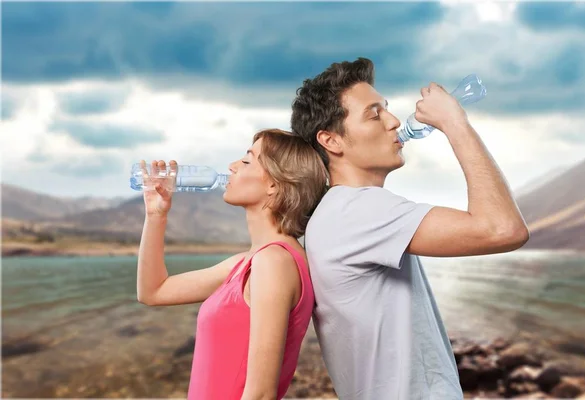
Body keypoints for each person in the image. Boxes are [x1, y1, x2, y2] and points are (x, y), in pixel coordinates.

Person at [290, 57, 530, 399]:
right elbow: (503, 229)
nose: (392, 121)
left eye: (387, 109)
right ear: (332, 141)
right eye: (374, 114)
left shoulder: (342, 211)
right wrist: (455, 123)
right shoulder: (357, 210)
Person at [135, 128, 328, 400]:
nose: (232, 166)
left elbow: (261, 393)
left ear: (274, 183)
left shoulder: (274, 263)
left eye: (247, 160)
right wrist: (156, 216)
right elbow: (153, 292)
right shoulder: (249, 262)